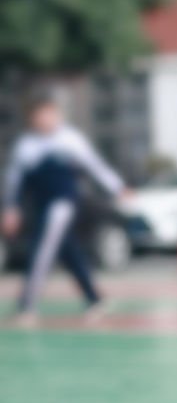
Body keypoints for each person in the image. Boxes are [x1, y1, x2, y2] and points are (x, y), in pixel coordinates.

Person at [1, 90, 127, 327]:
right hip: (39, 206)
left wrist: (118, 187)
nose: (46, 120)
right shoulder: (27, 146)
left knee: (42, 249)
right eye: (40, 115)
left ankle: (26, 305)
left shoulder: (70, 139)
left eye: (50, 114)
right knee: (68, 251)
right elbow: (15, 181)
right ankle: (95, 299)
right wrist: (11, 208)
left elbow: (95, 165)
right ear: (33, 118)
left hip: (63, 205)